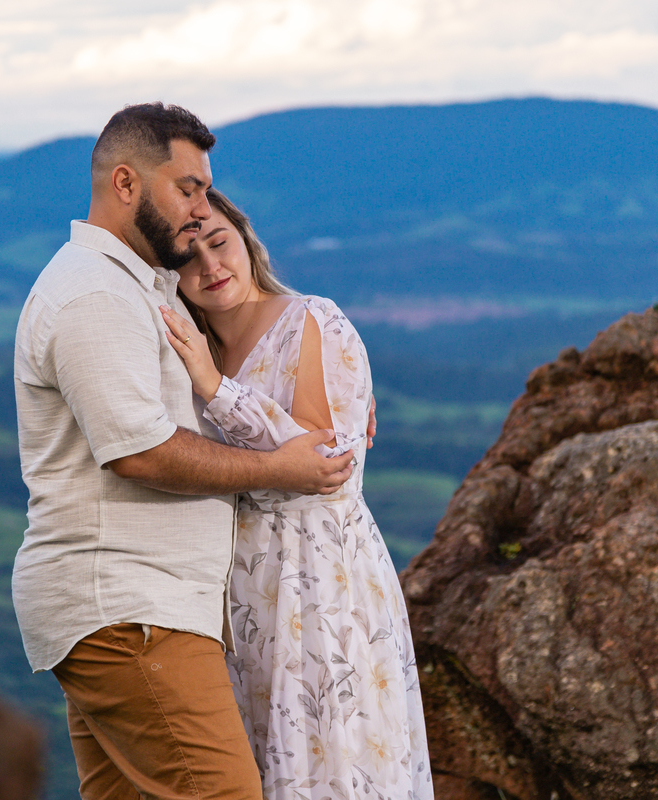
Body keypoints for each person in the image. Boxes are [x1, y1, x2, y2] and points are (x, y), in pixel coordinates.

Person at [12, 103, 358, 800]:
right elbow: (140, 453)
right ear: (125, 184)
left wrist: (336, 381)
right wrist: (279, 467)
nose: (201, 208)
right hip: (130, 610)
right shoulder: (95, 295)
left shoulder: (137, 286)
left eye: (205, 190)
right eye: (187, 188)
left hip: (131, 609)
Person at [160, 188, 433, 800]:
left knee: (332, 763)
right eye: (188, 257)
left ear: (246, 239)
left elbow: (328, 468)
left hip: (320, 581)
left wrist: (216, 389)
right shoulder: (190, 346)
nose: (210, 266)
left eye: (219, 242)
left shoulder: (312, 321)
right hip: (239, 597)